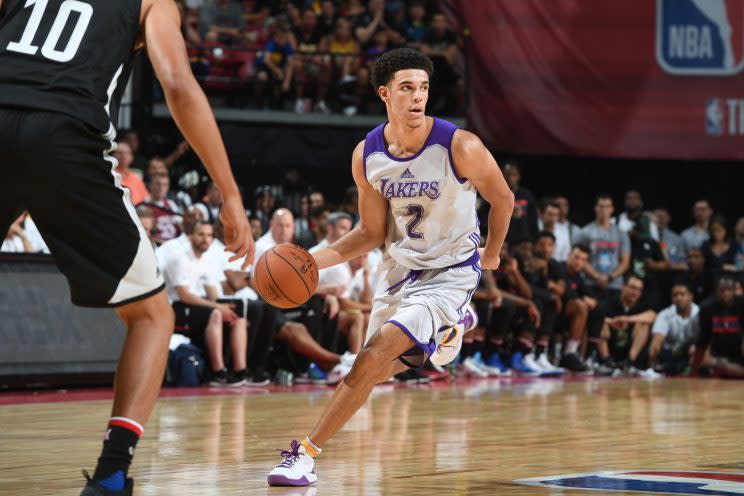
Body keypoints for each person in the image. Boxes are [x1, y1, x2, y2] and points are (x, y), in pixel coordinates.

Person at [0, 1, 254, 494]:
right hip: (64, 133)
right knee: (153, 316)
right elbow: (178, 85)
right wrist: (230, 191)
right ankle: (112, 473)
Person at [267, 48, 514, 486]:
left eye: (423, 88)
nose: (418, 97)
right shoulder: (368, 155)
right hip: (398, 269)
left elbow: (503, 197)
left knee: (372, 358)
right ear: (385, 93)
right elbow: (369, 234)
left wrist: (492, 253)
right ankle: (445, 337)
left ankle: (302, 455)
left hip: (451, 271)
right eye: (406, 88)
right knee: (374, 367)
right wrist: (308, 262)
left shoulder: (460, 145)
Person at [574, 195, 630, 300]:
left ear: (612, 209)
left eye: (607, 206)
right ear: (595, 208)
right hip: (590, 283)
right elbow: (579, 258)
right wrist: (596, 276)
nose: (604, 210)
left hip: (614, 285)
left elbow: (625, 262)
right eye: (601, 206)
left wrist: (610, 277)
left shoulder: (621, 234)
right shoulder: (585, 232)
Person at [691, 275, 744, 378]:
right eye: (722, 290)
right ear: (716, 291)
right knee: (698, 361)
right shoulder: (707, 307)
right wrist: (693, 373)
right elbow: (703, 340)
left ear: (734, 291)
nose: (726, 293)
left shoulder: (742, 304)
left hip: (739, 355)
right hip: (719, 356)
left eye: (729, 290)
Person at [649, 283, 699, 375]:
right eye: (675, 295)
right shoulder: (664, 314)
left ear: (691, 296)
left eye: (682, 294)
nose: (678, 298)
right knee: (655, 347)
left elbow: (703, 340)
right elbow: (657, 340)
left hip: (691, 354)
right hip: (671, 354)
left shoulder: (699, 314)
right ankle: (653, 372)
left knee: (696, 349)